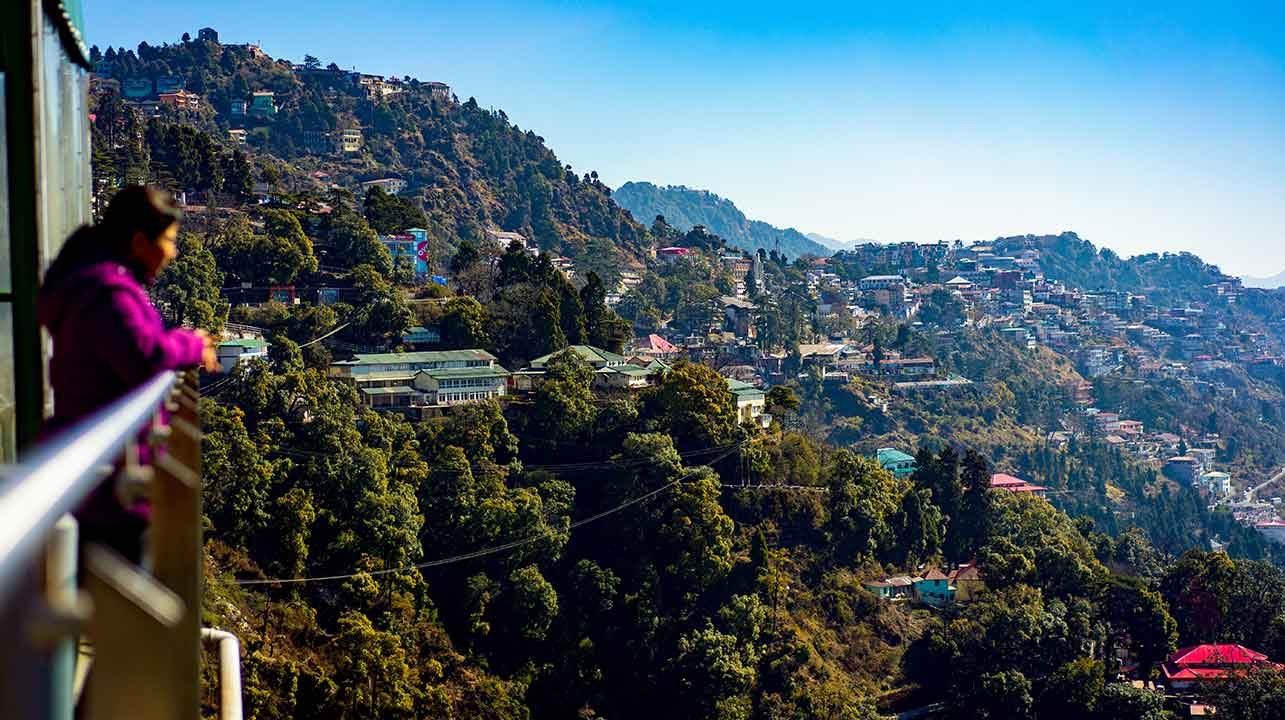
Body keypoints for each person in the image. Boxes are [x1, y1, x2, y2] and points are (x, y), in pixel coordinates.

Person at [38, 186, 220, 564]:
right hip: (107, 491)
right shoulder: (108, 292)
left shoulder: (96, 283)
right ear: (139, 241)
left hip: (97, 478)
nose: (173, 252)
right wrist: (190, 345)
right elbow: (146, 354)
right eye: (169, 240)